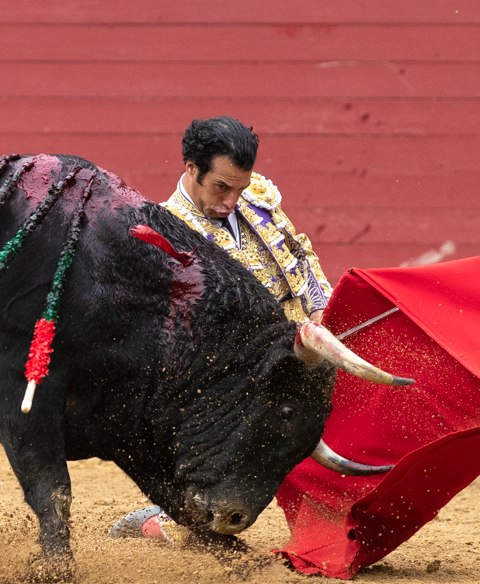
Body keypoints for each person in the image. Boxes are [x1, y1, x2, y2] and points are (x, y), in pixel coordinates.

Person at [111, 116, 333, 540]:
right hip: (242, 377)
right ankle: (159, 524)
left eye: (240, 189)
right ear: (192, 168)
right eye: (221, 188)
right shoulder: (168, 234)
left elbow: (298, 254)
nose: (231, 201)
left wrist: (323, 309)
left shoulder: (258, 195)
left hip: (301, 347)